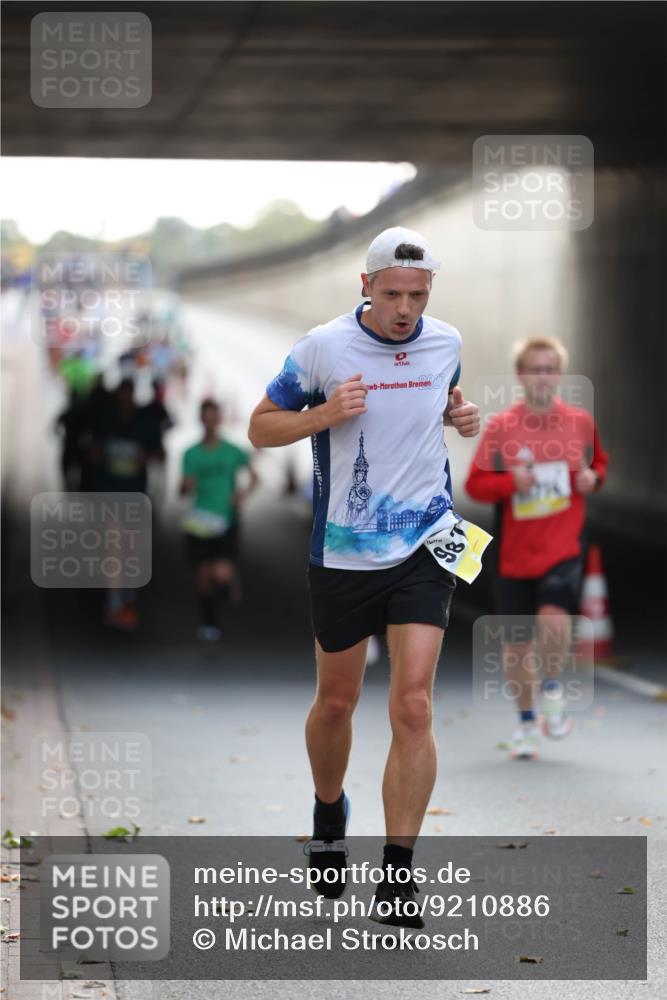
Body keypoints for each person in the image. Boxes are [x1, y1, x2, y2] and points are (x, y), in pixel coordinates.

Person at [248, 226, 480, 928]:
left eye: (417, 294)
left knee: (412, 705)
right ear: (365, 286)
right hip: (343, 552)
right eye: (392, 294)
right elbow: (261, 427)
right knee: (337, 703)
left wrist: (459, 414)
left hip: (425, 542)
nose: (405, 308)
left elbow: (442, 403)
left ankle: (399, 878)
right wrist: (321, 414)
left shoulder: (445, 342)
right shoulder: (323, 347)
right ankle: (328, 810)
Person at [465, 336, 609, 760]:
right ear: (521, 375)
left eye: (549, 369)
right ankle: (527, 724)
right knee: (515, 649)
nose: (542, 377)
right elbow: (474, 484)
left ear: (558, 375)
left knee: (552, 620)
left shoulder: (580, 422)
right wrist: (513, 483)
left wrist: (592, 480)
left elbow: (599, 463)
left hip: (564, 544)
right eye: (534, 369)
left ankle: (551, 688)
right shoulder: (502, 427)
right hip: (515, 552)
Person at [181, 399, 258, 642]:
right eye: (207, 417)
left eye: (215, 417)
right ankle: (209, 622)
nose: (211, 422)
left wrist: (242, 495)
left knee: (221, 573)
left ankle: (229, 586)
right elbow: (182, 490)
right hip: (199, 521)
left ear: (219, 420)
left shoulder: (232, 451)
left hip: (226, 519)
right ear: (201, 420)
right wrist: (186, 486)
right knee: (203, 576)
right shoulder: (191, 454)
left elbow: (255, 477)